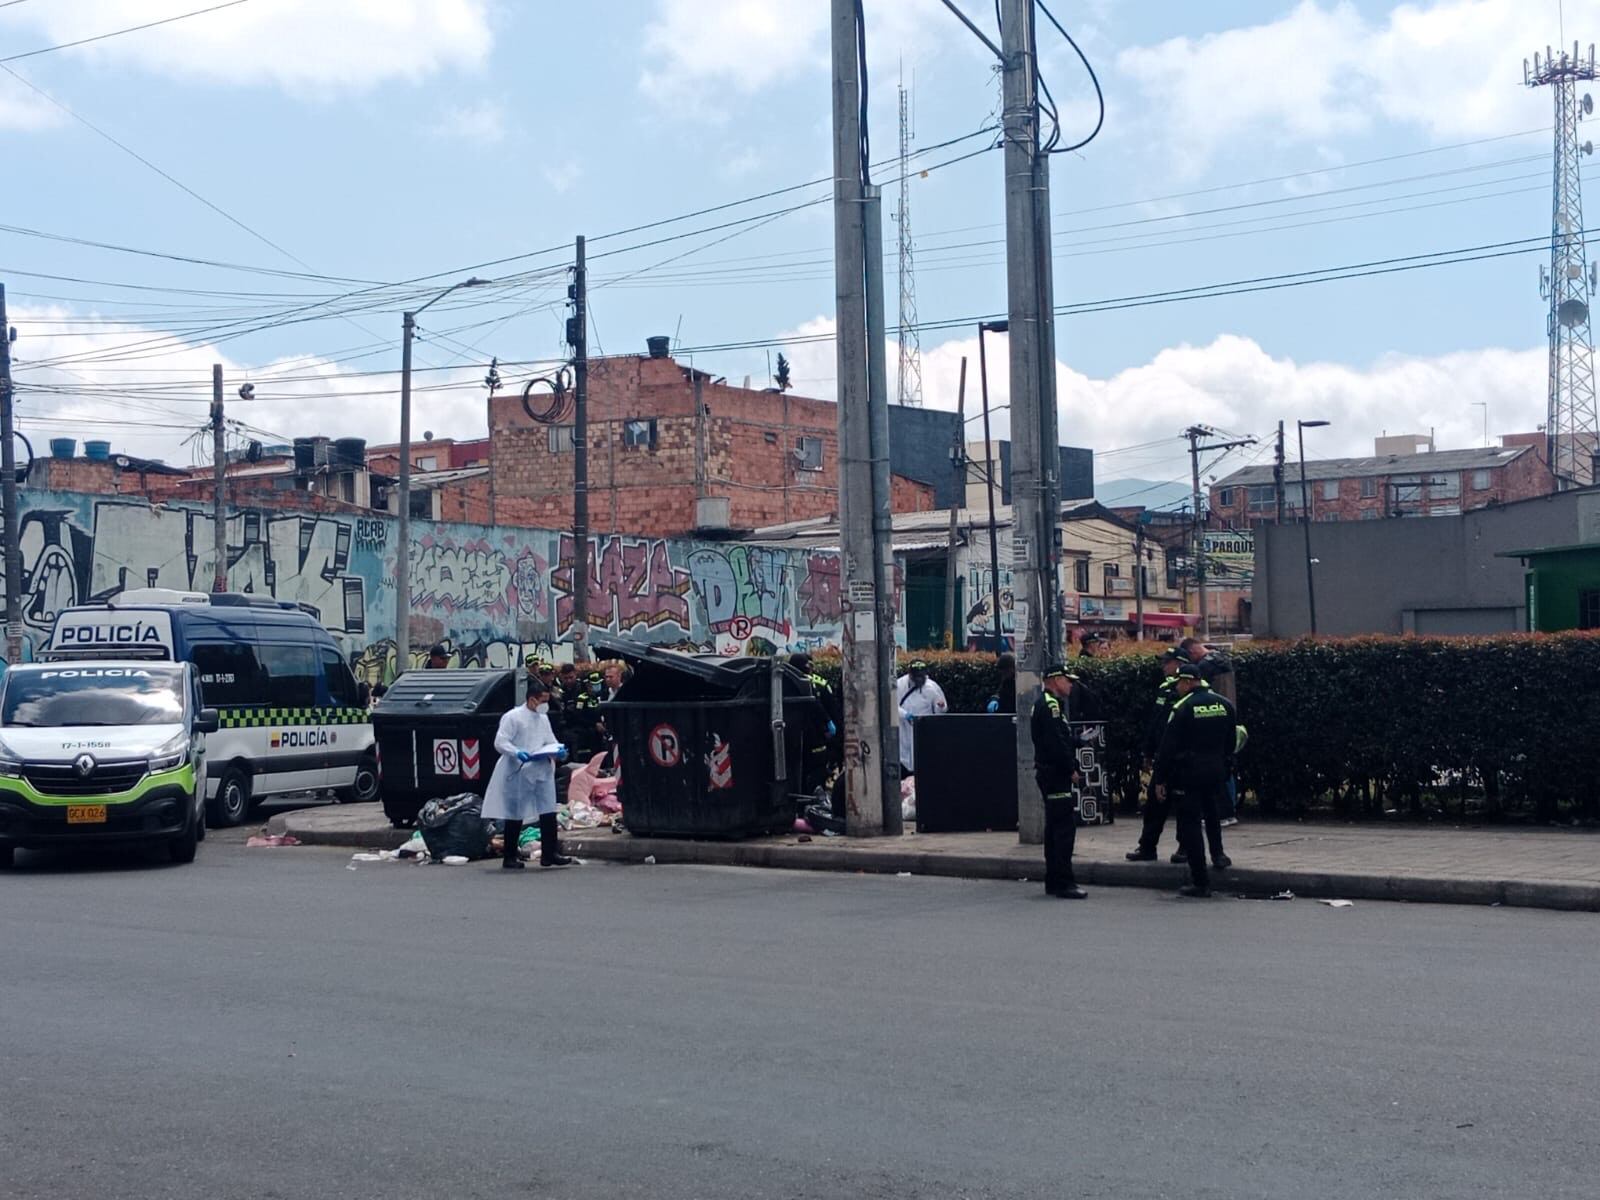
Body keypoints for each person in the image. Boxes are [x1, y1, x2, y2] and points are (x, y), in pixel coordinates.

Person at [1151, 663, 1239, 897]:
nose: (1177, 687)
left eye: (1180, 682)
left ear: (1189, 682)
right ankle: (1219, 855)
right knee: (1212, 814)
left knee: (1190, 824)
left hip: (1188, 773)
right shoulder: (1224, 703)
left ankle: (1200, 881)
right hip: (1217, 770)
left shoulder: (1182, 707)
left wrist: (1160, 778)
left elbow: (1167, 747)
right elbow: (1232, 741)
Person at [482, 675, 575, 870]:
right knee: (515, 813)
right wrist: (516, 752)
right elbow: (500, 742)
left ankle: (550, 854)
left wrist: (558, 750)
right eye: (542, 701)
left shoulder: (543, 718)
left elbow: (550, 739)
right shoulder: (513, 717)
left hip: (541, 769)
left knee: (548, 810)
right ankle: (509, 856)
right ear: (531, 699)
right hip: (519, 770)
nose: (545, 705)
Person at [1031, 664, 1088, 899]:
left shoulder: (1046, 704)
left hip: (1049, 772)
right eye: (1067, 680)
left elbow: (1056, 738)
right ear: (1054, 680)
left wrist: (1077, 741)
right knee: (1064, 830)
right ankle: (1065, 882)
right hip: (1055, 775)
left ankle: (1054, 880)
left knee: (1054, 829)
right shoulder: (1051, 705)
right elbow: (1055, 745)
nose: (1071, 684)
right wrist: (1071, 769)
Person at [1126, 649, 1185, 862]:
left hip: (1179, 758)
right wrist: (1148, 753)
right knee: (1154, 804)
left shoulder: (1187, 689)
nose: (1164, 666)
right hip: (1161, 756)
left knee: (1183, 805)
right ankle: (1147, 847)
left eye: (1167, 663)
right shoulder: (1164, 688)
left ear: (1180, 664)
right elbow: (1155, 724)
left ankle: (1185, 848)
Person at [1179, 636, 1239, 826]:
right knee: (1225, 766)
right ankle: (1229, 810)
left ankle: (1222, 812)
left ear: (1192, 652)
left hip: (1211, 720)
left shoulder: (1206, 667)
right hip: (1228, 718)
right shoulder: (1221, 658)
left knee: (1216, 771)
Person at [790, 652, 841, 796]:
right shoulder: (811, 683)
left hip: (807, 739)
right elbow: (828, 710)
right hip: (810, 739)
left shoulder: (787, 682)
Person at [894, 659, 947, 776]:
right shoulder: (899, 684)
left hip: (923, 728)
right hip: (904, 727)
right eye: (915, 676)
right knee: (904, 756)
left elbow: (941, 709)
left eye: (921, 675)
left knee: (921, 758)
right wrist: (905, 715)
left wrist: (941, 707)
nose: (918, 678)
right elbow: (892, 705)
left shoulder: (932, 687)